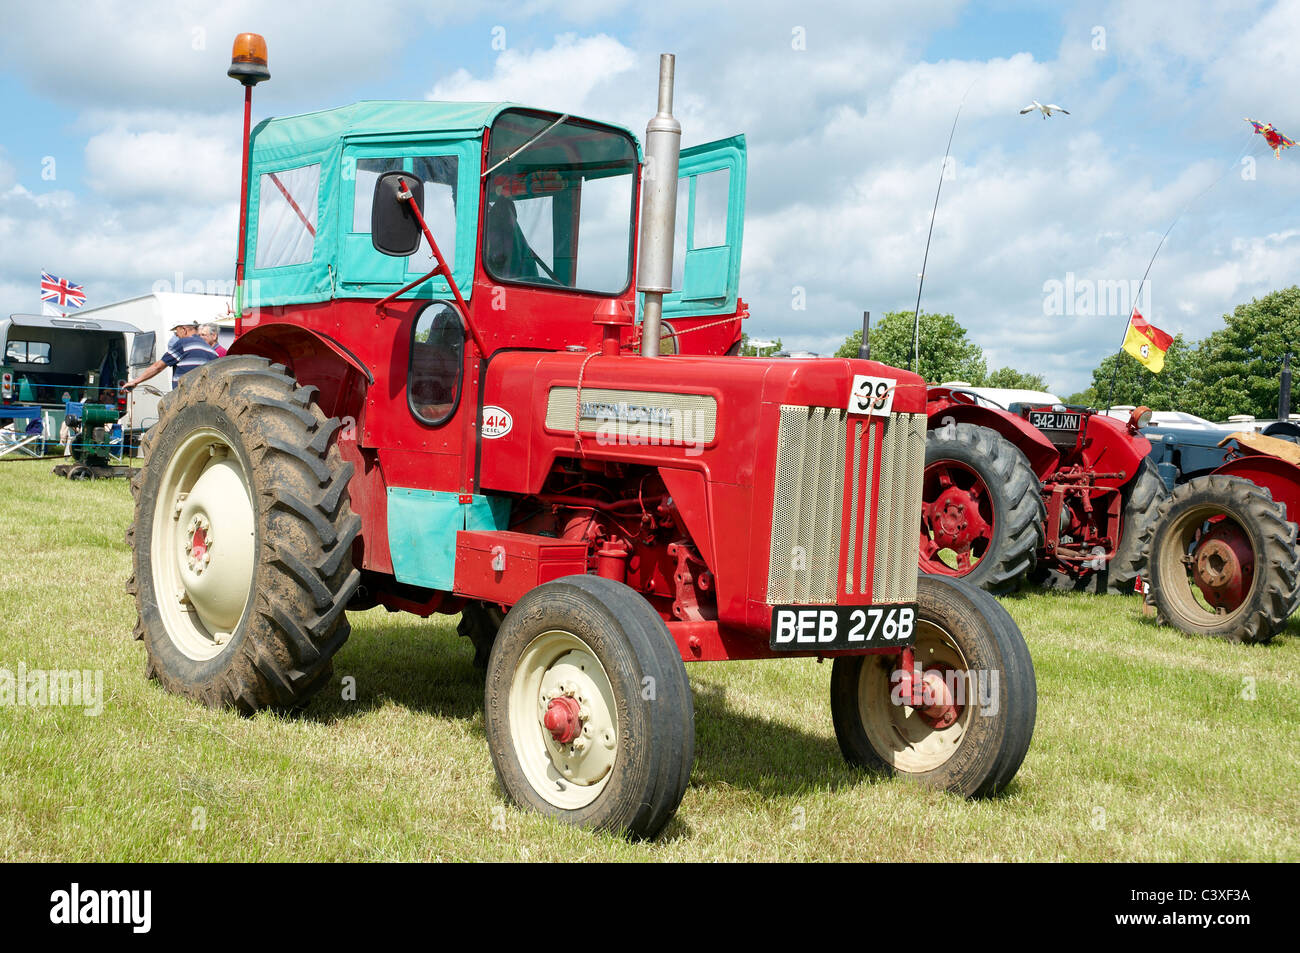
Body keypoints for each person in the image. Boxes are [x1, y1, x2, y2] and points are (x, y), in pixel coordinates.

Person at [123, 322, 218, 392]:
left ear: (184, 330)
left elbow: (158, 367)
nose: (177, 335)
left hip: (185, 396)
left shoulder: (183, 343)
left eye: (177, 332)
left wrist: (135, 381)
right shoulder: (213, 352)